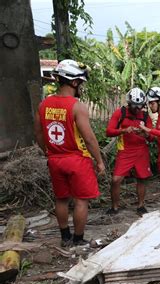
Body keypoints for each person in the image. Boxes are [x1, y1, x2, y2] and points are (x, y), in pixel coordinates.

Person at [33, 59, 105, 247]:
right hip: (77, 160)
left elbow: (39, 133)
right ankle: (78, 239)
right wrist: (99, 161)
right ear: (74, 82)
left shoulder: (44, 105)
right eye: (80, 82)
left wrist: (48, 152)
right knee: (81, 200)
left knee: (61, 198)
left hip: (55, 160)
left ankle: (65, 237)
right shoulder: (77, 106)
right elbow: (89, 138)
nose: (81, 86)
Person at [106, 87, 153, 216]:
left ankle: (141, 205)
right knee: (116, 179)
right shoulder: (120, 113)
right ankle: (115, 207)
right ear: (129, 103)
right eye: (134, 106)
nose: (137, 109)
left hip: (141, 151)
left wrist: (145, 134)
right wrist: (123, 130)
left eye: (140, 106)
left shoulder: (144, 115)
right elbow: (108, 131)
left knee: (142, 178)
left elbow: (152, 136)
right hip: (125, 151)